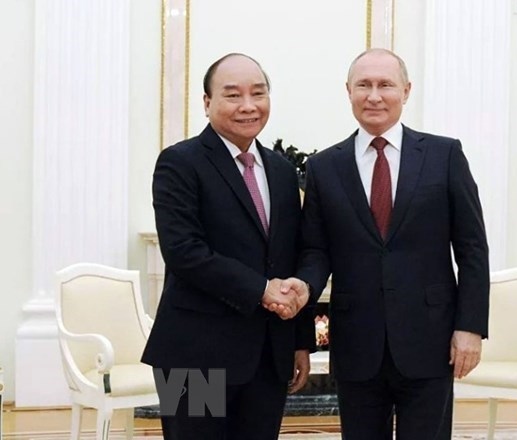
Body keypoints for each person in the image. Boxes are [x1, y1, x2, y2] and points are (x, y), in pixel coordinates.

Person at [293, 48, 490, 439]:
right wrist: (303, 289)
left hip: (431, 339)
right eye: (363, 85)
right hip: (356, 341)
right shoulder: (323, 167)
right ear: (348, 91)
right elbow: (315, 251)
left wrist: (470, 327)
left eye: (386, 85)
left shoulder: (444, 155)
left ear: (406, 90)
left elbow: (472, 248)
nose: (374, 95)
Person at [141, 53, 314, 440]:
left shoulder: (283, 172)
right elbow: (184, 252)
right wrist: (260, 289)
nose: (248, 105)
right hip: (193, 357)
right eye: (233, 95)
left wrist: (299, 342)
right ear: (207, 102)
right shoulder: (179, 162)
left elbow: (290, 255)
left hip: (268, 356)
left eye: (258, 93)